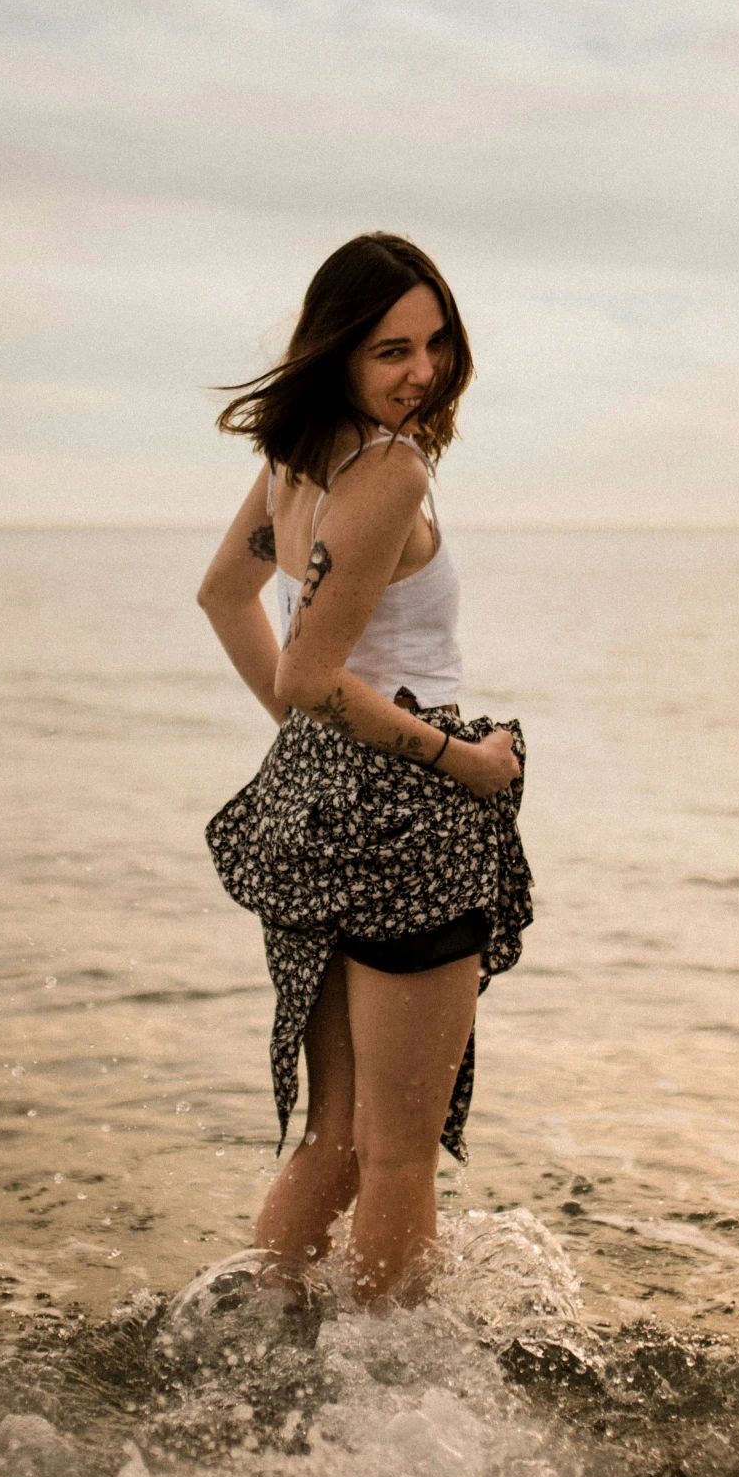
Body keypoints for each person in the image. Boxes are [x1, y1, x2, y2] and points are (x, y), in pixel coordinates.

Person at [197, 234, 534, 1309]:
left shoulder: (299, 463)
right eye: (392, 349)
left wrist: (319, 752)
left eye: (436, 344)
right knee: (399, 1153)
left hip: (324, 815)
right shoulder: (389, 470)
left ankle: (266, 1332)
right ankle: (387, 1388)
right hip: (411, 822)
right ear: (337, 351)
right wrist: (464, 761)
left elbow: (227, 602)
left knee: (336, 1138)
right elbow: (310, 671)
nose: (422, 371)